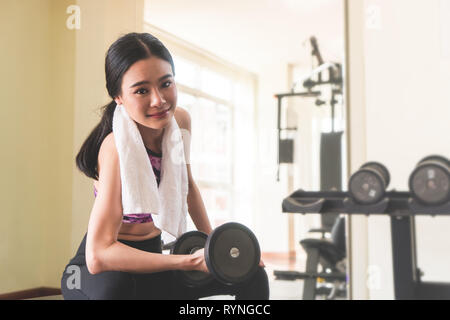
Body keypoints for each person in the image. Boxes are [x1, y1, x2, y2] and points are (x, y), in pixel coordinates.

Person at [60, 32, 269, 300]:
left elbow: (187, 185)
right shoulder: (114, 148)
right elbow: (98, 256)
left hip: (152, 258)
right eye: (142, 90)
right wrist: (187, 262)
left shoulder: (180, 122)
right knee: (115, 291)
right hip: (97, 274)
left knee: (251, 277)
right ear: (119, 97)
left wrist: (215, 250)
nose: (159, 100)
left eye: (166, 83)